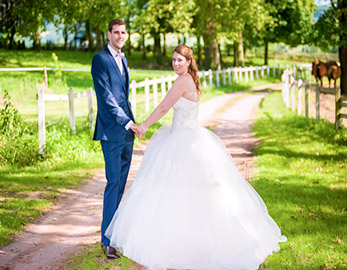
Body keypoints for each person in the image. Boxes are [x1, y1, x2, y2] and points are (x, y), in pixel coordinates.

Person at [105, 44, 287, 269]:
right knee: (180, 191)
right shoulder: (188, 79)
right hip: (182, 135)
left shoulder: (183, 81)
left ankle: (189, 244)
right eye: (173, 60)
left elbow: (163, 108)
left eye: (180, 60)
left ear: (189, 62)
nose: (175, 63)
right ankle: (180, 240)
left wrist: (142, 126)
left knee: (185, 191)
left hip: (185, 142)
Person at [91, 18, 140, 259]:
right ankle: (106, 240)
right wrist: (127, 122)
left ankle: (115, 232)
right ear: (108, 34)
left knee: (121, 185)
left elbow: (124, 97)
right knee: (112, 183)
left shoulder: (124, 59)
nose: (120, 36)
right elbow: (107, 99)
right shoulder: (99, 60)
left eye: (123, 32)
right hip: (111, 132)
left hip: (126, 133)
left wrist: (132, 124)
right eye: (116, 32)